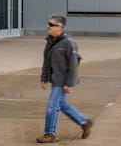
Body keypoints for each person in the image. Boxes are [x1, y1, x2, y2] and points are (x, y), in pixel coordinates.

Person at [38, 14, 92, 143]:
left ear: (60, 27)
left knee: (52, 106)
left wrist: (69, 84)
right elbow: (46, 61)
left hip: (63, 81)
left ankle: (50, 133)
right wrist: (44, 77)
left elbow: (74, 64)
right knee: (62, 105)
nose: (48, 26)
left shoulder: (68, 43)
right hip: (55, 79)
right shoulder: (50, 41)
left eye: (51, 25)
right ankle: (84, 122)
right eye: (48, 24)